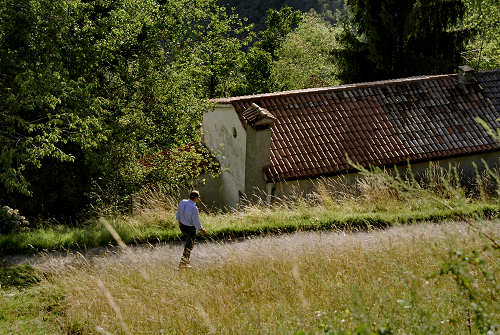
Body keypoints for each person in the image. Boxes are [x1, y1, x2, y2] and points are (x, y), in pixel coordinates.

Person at [176, 190, 206, 268]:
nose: (198, 199)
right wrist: (201, 229)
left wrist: (179, 222)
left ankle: (184, 262)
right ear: (196, 198)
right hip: (190, 229)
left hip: (182, 226)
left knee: (188, 244)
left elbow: (178, 213)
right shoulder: (194, 208)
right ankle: (183, 263)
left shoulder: (182, 202)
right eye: (198, 198)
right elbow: (196, 221)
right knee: (189, 246)